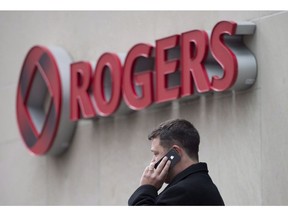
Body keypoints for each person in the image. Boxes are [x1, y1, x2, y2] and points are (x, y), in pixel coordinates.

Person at [128, 119, 225, 206]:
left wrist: (146, 188)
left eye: (156, 153)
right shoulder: (200, 183)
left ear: (175, 153)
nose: (153, 161)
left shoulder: (183, 191)